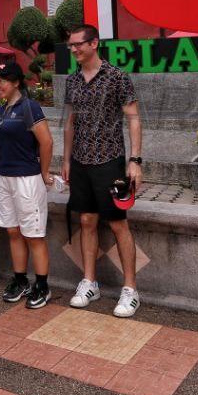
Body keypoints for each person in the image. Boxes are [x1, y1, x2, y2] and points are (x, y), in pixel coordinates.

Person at [61, 24, 144, 318]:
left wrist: (135, 160)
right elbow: (70, 122)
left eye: (77, 45)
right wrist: (67, 159)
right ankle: (89, 282)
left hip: (110, 160)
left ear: (94, 43)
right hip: (81, 161)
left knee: (118, 222)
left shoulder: (117, 77)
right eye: (70, 46)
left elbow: (134, 118)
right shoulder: (71, 81)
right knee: (86, 220)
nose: (73, 50)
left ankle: (131, 288)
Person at [0, 63, 54, 308]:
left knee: (34, 235)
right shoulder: (1, 110)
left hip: (27, 179)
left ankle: (42, 285)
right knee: (13, 231)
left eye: (3, 81)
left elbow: (46, 142)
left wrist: (43, 172)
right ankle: (21, 280)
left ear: (16, 82)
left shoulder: (29, 107)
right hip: (4, 177)